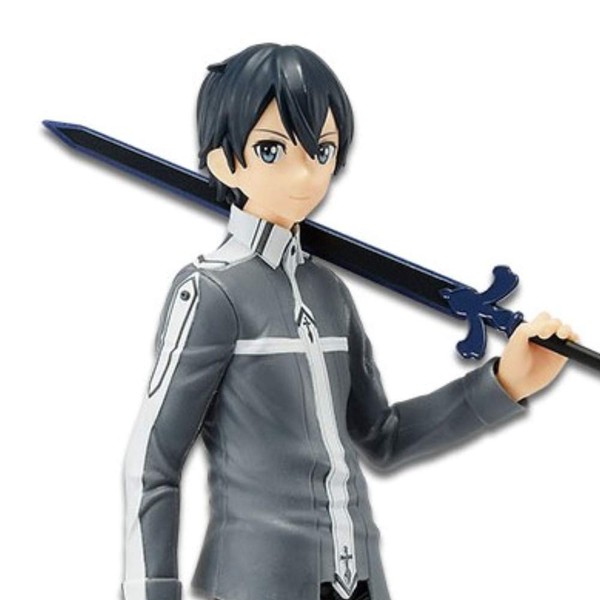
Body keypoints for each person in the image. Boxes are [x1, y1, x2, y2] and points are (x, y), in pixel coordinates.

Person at [122, 44, 575, 600]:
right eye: (271, 149)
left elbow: (383, 436)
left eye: (322, 150)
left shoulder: (329, 290)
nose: (305, 173)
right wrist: (151, 591)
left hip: (358, 577)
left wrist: (504, 383)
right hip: (261, 580)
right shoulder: (212, 292)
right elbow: (154, 462)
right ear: (222, 162)